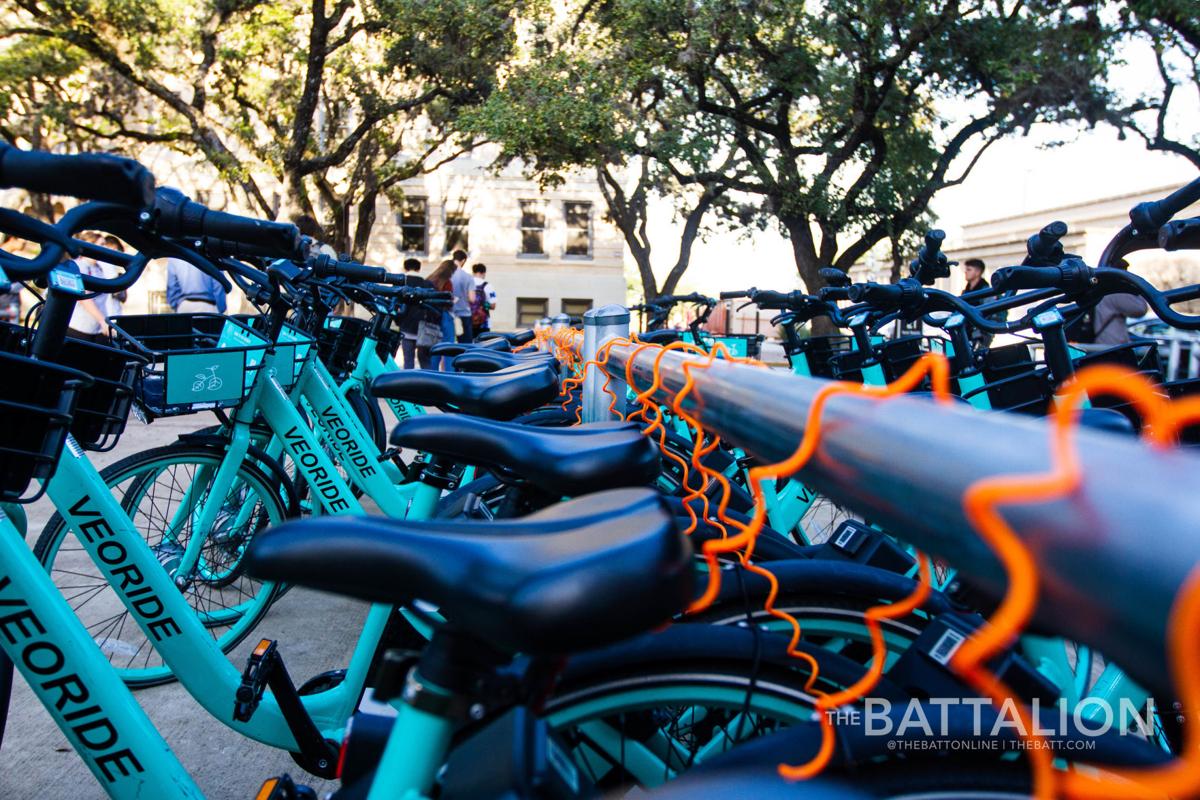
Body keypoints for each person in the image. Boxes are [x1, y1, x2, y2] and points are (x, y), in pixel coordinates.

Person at [397, 258, 436, 369]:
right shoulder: (427, 284)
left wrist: (398, 321)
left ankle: (408, 385)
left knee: (408, 361)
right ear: (419, 269)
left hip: (406, 327)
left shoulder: (401, 283)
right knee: (425, 362)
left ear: (405, 268)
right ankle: (428, 385)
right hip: (425, 329)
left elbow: (396, 305)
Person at [427, 260, 458, 370]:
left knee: (435, 347)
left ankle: (432, 373)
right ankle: (449, 374)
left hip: (431, 316)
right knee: (448, 348)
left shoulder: (430, 278)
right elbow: (448, 301)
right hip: (445, 315)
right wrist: (453, 301)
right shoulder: (447, 282)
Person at [449, 249, 475, 343]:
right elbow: (472, 299)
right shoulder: (468, 277)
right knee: (465, 345)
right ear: (463, 260)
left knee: (448, 345)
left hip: (449, 313)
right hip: (464, 313)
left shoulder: (447, 274)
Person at [470, 263, 496, 334]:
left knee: (467, 344)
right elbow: (493, 306)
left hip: (468, 321)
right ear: (483, 273)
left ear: (473, 272)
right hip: (483, 323)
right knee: (483, 344)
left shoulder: (467, 284)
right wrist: (482, 305)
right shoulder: (487, 286)